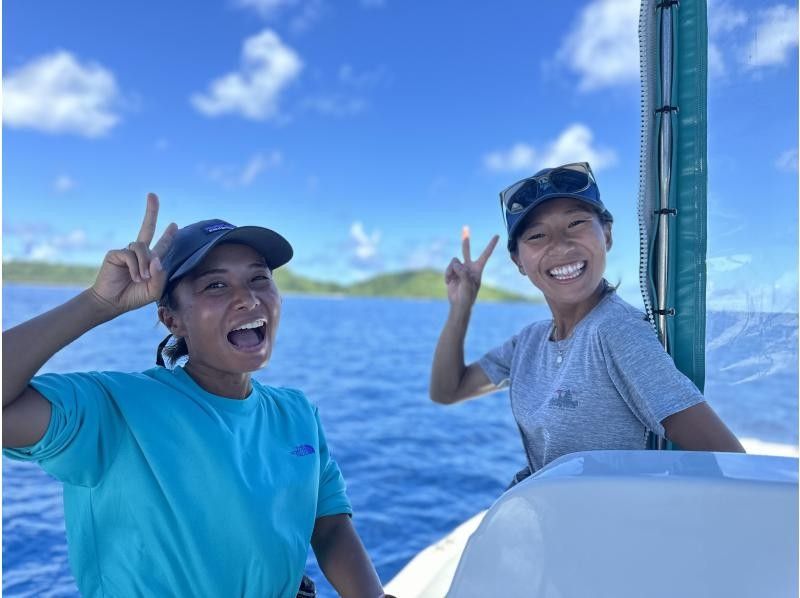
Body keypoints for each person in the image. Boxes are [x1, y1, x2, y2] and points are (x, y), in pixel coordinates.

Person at [3, 194, 388, 598]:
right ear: (172, 318)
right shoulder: (112, 409)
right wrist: (97, 304)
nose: (248, 298)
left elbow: (328, 526)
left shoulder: (297, 413)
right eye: (216, 285)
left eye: (259, 279)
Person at [430, 162, 744, 482]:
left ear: (606, 234)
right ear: (518, 262)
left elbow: (730, 462)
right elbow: (448, 391)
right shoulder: (530, 341)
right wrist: (461, 306)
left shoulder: (615, 331)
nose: (561, 245)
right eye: (537, 235)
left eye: (576, 223)